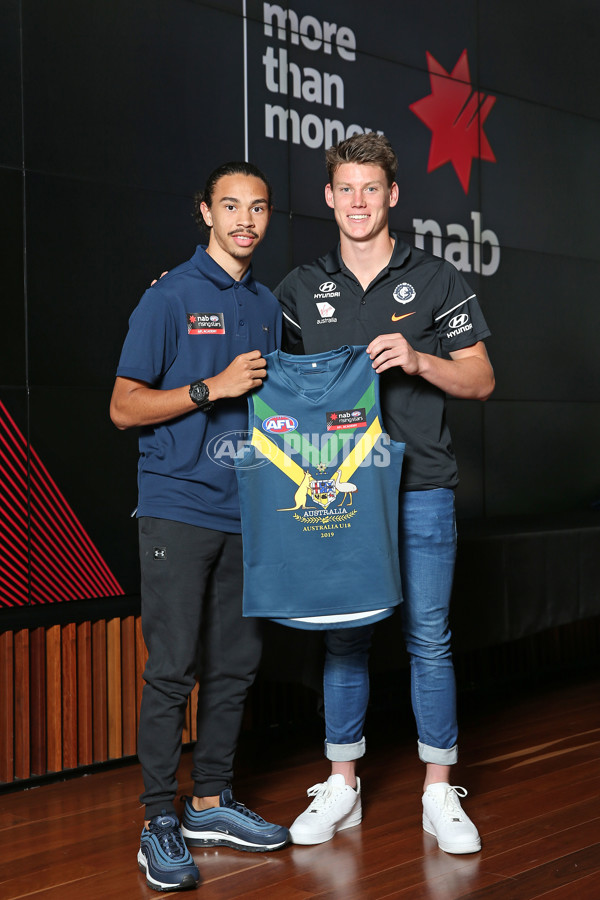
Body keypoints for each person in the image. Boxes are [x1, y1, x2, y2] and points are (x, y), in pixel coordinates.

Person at [274, 133, 495, 854]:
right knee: (344, 639)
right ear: (329, 197)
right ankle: (343, 784)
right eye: (347, 188)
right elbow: (252, 360)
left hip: (422, 486)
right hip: (338, 491)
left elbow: (482, 379)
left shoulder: (434, 277)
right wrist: (173, 295)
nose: (359, 201)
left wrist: (420, 359)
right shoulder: (301, 287)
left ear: (392, 196)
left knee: (430, 639)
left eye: (372, 188)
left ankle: (439, 791)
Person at [110, 161, 289, 893]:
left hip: (247, 509)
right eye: (231, 206)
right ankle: (159, 819)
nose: (245, 219)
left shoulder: (269, 304)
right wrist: (206, 388)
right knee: (172, 666)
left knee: (238, 662)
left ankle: (211, 803)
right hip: (178, 506)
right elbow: (123, 406)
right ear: (206, 214)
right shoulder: (171, 296)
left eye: (258, 207)